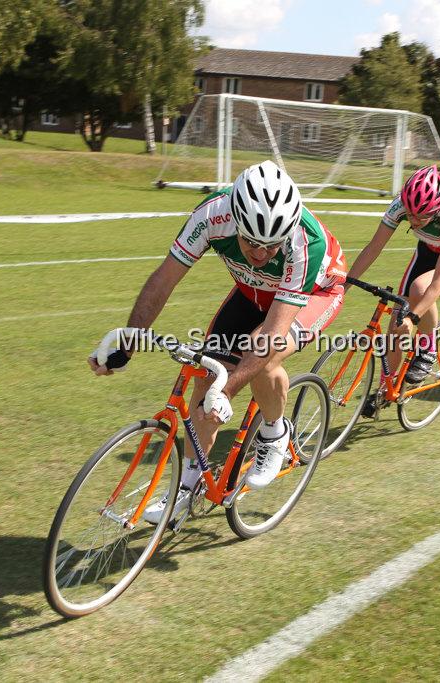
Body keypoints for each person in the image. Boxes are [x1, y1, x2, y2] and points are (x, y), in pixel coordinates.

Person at [88, 160, 347, 523]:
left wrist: (227, 393)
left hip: (316, 293)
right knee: (208, 376)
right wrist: (129, 341)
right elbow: (164, 279)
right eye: (251, 242)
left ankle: (274, 432)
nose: (260, 254)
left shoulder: (307, 242)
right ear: (236, 220)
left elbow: (272, 333)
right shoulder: (211, 215)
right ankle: (189, 484)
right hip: (252, 290)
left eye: (271, 247)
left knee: (262, 356)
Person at [345, 166, 440, 387]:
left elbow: (438, 281)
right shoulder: (400, 205)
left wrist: (414, 318)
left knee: (420, 290)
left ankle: (428, 347)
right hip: (428, 252)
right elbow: (374, 247)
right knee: (396, 324)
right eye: (410, 214)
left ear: (437, 209)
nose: (413, 220)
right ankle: (384, 390)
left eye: (421, 216)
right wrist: (345, 285)